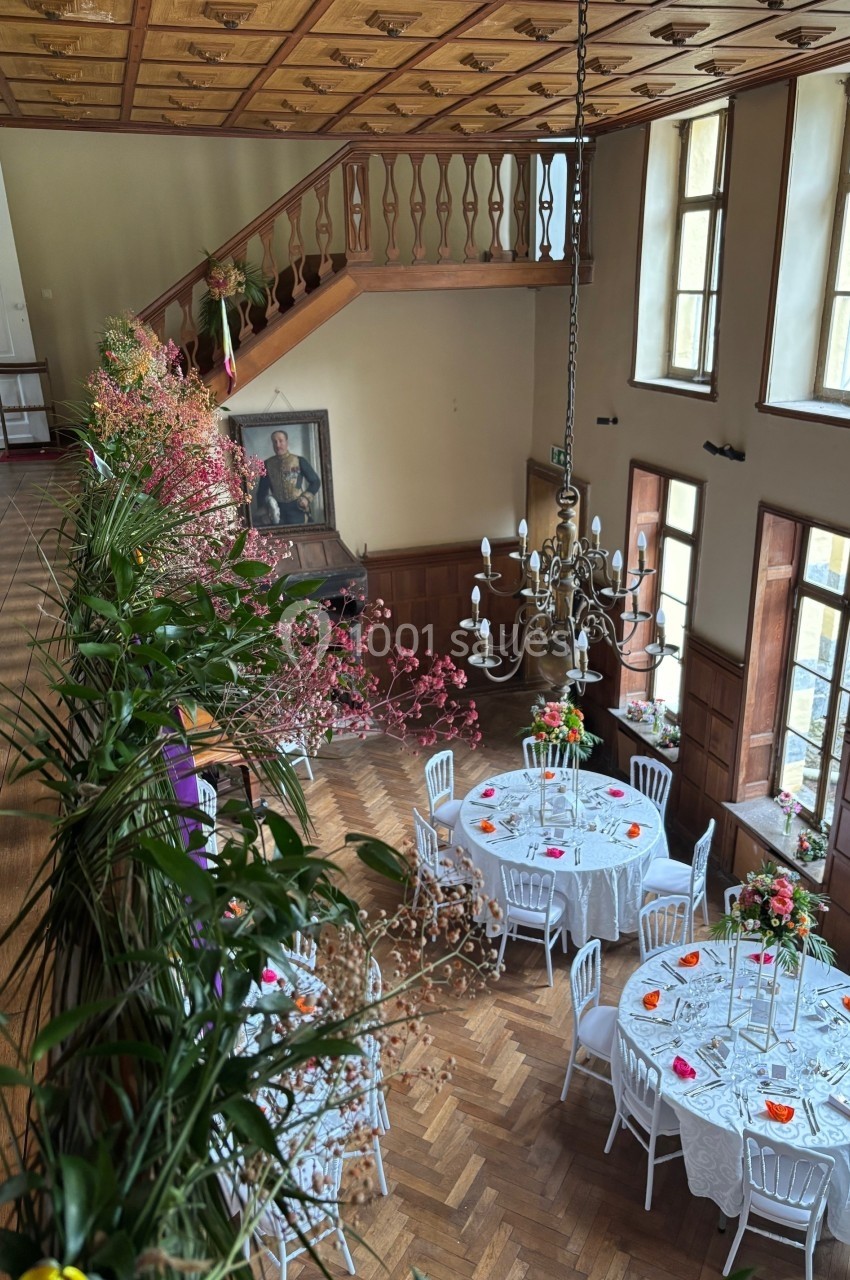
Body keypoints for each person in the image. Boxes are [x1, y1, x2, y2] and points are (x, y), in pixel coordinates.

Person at [255, 429, 321, 526]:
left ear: (286, 442)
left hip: (297, 508)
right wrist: (263, 513)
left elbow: (315, 481)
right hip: (277, 510)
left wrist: (306, 498)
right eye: (275, 442)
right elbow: (262, 491)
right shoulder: (267, 464)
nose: (278, 445)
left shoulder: (299, 461)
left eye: (281, 441)